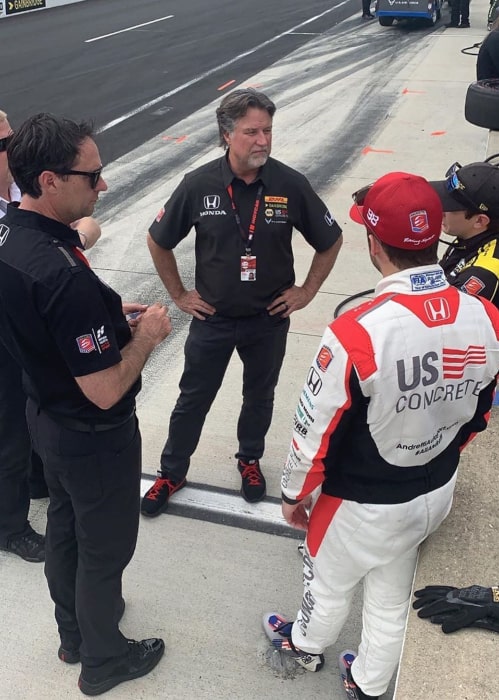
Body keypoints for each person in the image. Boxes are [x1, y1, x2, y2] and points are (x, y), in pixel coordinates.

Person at [262, 172, 499, 700]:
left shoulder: (357, 329)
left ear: (374, 243)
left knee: (326, 582)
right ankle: (367, 685)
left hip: (361, 502)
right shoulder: (486, 315)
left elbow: (312, 436)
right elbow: (480, 413)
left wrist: (293, 496)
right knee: (391, 596)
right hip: (436, 489)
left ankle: (302, 650)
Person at [0, 113, 171, 696]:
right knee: (106, 549)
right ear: (49, 180)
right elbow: (103, 388)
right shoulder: (58, 275)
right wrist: (146, 334)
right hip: (92, 434)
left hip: (44, 417)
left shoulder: (12, 236)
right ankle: (103, 661)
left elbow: (48, 316)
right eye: (92, 175)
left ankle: (73, 633)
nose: (103, 186)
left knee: (67, 532)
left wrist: (101, 315)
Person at [141, 88, 343, 517]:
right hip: (212, 320)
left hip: (267, 320)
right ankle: (172, 470)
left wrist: (305, 291)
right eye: (252, 132)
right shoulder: (198, 186)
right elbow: (158, 241)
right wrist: (179, 295)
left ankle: (249, 459)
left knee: (260, 396)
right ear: (227, 134)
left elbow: (331, 239)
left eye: (268, 130)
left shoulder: (290, 184)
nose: (263, 141)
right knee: (193, 398)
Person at [0, 109, 101, 564]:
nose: (11, 149)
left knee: (35, 406)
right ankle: (10, 525)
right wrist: (74, 238)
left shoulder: (23, 191)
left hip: (29, 325)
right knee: (8, 435)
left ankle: (39, 480)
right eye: (4, 144)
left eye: (12, 138)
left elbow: (64, 230)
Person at [429, 158, 499, 308]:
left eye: (450, 206)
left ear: (480, 221)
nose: (440, 209)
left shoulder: (482, 275)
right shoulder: (470, 234)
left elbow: (446, 321)